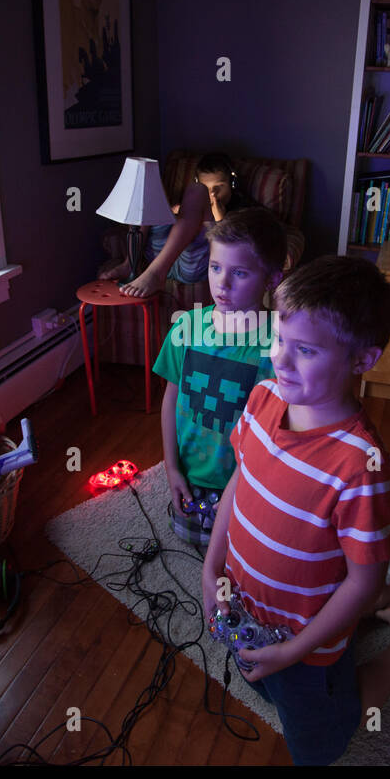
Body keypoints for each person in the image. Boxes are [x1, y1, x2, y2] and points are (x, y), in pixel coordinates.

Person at [199, 255, 390, 765]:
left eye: (304, 350)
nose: (281, 359)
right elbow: (239, 483)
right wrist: (211, 567)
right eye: (280, 339)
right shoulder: (263, 398)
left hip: (307, 645)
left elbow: (362, 581)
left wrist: (293, 651)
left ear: (361, 360)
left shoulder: (361, 468)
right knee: (267, 688)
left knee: (324, 737)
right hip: (248, 609)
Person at [151, 208, 288, 547]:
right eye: (215, 268)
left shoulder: (279, 344)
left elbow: (284, 429)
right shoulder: (187, 328)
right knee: (187, 537)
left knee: (252, 553)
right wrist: (171, 468)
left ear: (271, 279)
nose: (222, 284)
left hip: (248, 480)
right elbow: (171, 398)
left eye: (239, 273)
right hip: (193, 473)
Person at [100, 153, 258, 298]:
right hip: (160, 254)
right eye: (207, 188)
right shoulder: (188, 201)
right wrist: (178, 214)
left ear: (232, 184)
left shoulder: (243, 209)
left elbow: (236, 246)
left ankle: (156, 274)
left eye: (219, 187)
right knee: (145, 189)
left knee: (196, 191)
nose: (212, 194)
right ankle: (129, 263)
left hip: (193, 264)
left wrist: (220, 220)